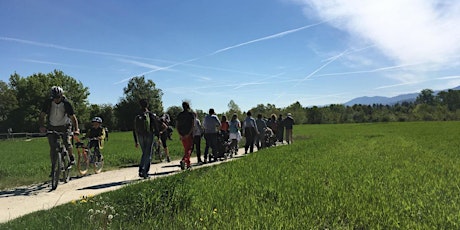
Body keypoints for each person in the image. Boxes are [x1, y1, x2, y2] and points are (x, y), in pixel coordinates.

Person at [39, 86, 80, 174]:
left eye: (58, 97)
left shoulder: (66, 104)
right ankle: (53, 168)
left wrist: (76, 129)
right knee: (53, 148)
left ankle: (71, 156)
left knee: (67, 142)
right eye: (54, 97)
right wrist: (42, 126)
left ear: (61, 95)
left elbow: (73, 118)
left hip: (64, 125)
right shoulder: (48, 103)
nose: (56, 99)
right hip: (52, 126)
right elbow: (42, 115)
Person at [133, 99, 159, 179]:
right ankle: (144, 171)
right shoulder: (150, 114)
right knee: (148, 154)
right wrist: (158, 137)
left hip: (140, 135)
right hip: (149, 135)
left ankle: (141, 169)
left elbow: (134, 128)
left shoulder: (137, 115)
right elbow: (156, 126)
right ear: (147, 105)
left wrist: (136, 140)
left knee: (144, 152)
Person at [176, 101, 195, 170]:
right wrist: (189, 134)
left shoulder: (179, 115)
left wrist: (180, 134)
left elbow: (177, 125)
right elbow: (193, 125)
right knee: (189, 149)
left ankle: (188, 164)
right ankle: (184, 160)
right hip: (188, 134)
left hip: (182, 133)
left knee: (186, 149)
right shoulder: (191, 115)